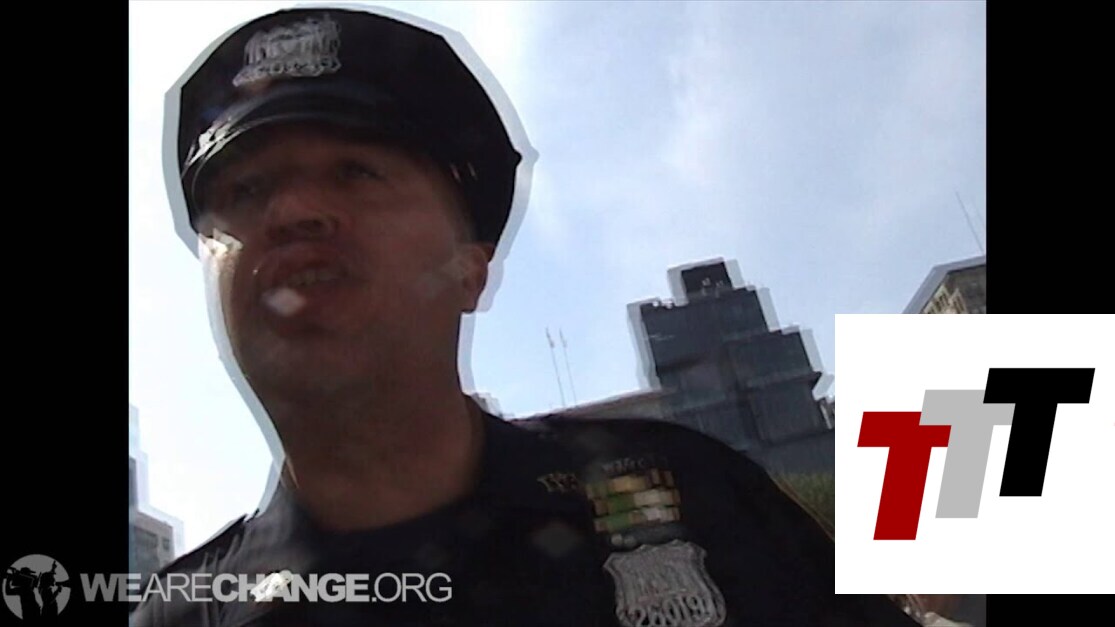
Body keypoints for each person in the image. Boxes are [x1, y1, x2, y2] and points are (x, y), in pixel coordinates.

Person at [131, 6, 920, 626]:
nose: (293, 211)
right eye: (246, 191)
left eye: (356, 172)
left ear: (471, 268)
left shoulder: (696, 503)